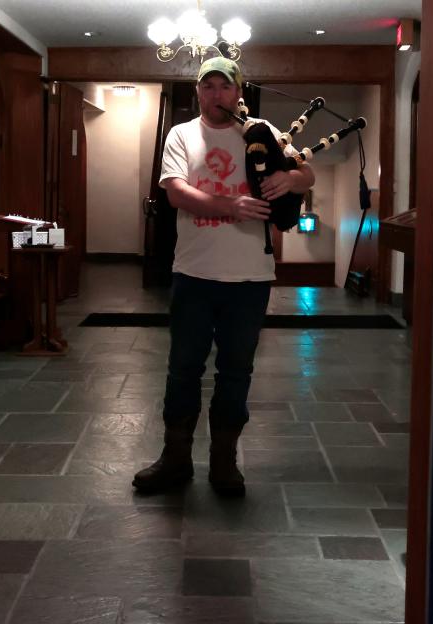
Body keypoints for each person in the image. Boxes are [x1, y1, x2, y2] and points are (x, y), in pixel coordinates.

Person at [133, 57, 315, 496]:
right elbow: (176, 192)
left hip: (250, 278)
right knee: (182, 371)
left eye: (224, 87)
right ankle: (175, 459)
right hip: (194, 273)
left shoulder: (264, 132)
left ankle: (223, 463)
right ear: (198, 92)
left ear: (239, 93)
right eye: (207, 86)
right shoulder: (181, 134)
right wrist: (229, 207)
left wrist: (290, 181)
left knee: (237, 372)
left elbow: (306, 173)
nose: (216, 95)